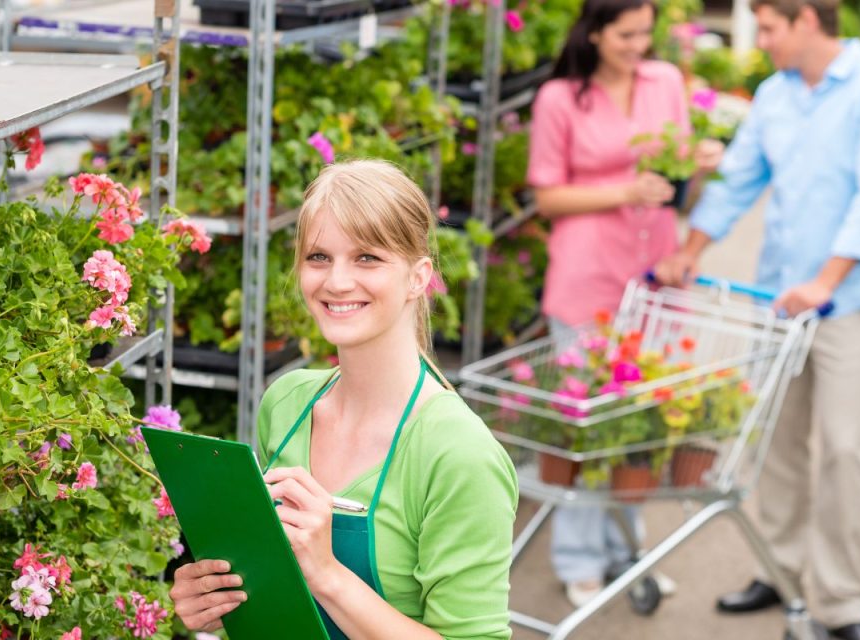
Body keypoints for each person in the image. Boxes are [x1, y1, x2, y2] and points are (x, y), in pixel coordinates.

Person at [168, 160, 520, 639]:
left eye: (367, 257)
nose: (336, 281)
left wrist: (327, 573)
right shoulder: (287, 404)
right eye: (318, 257)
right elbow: (273, 595)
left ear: (418, 277)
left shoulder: (459, 455)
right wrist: (214, 599)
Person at [653, 0, 860, 637]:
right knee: (777, 448)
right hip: (776, 301)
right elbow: (736, 179)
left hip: (848, 302)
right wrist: (689, 250)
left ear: (808, 19)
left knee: (841, 450)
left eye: (772, 27)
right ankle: (782, 578)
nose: (765, 41)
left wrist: (825, 281)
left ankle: (842, 605)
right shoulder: (773, 95)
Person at [525, 0, 722, 608]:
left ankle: (629, 554)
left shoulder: (664, 81)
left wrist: (703, 164)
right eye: (627, 34)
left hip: (653, 277)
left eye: (646, 33)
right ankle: (579, 559)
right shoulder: (561, 98)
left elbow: (678, 178)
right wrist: (622, 190)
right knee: (586, 427)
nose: (640, 46)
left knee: (638, 427)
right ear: (595, 31)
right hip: (588, 276)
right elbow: (547, 198)